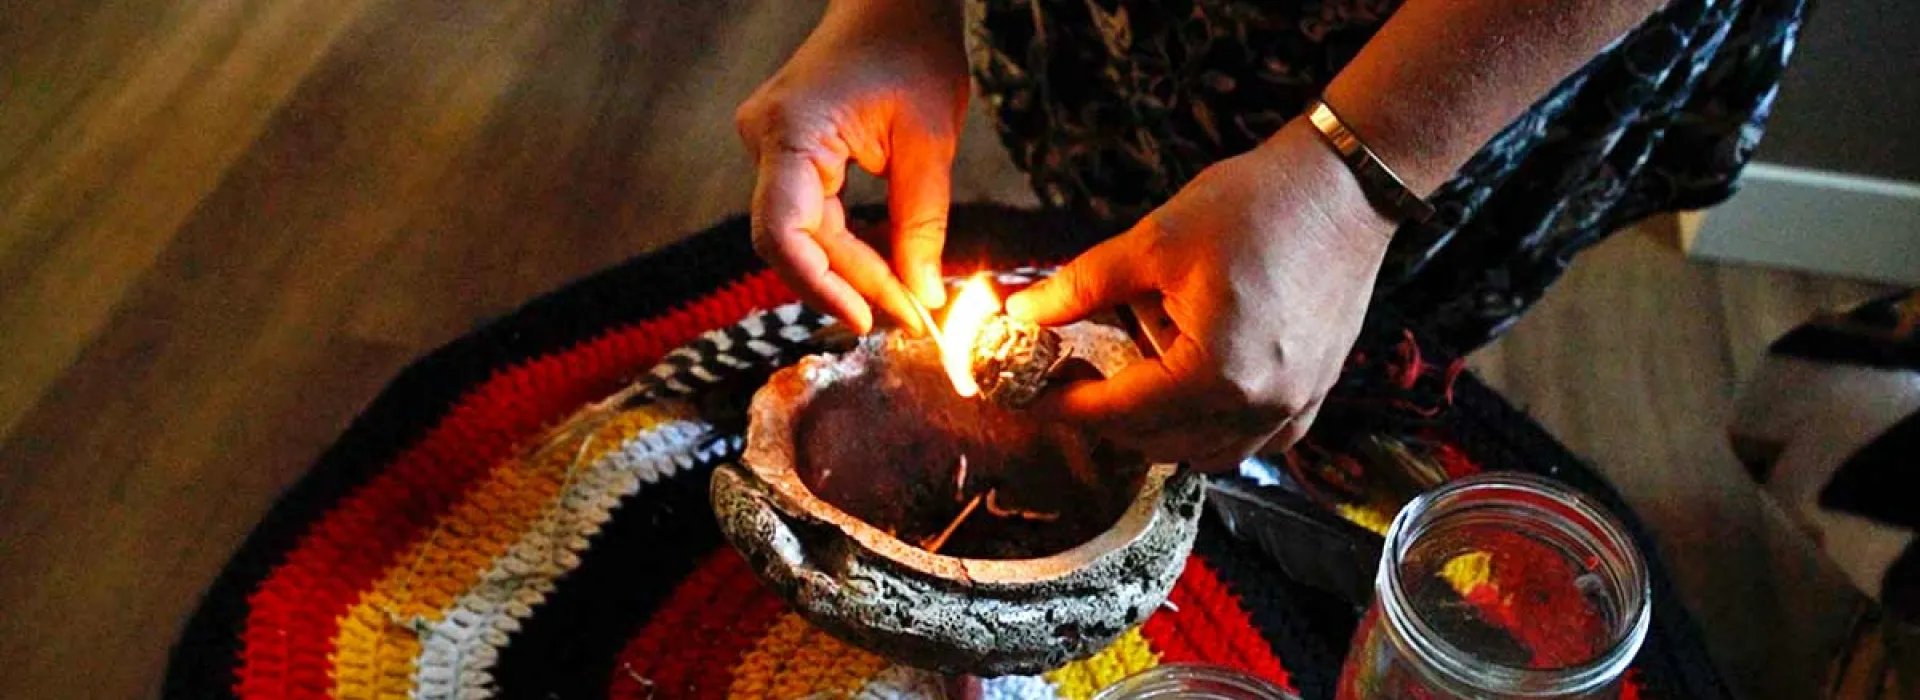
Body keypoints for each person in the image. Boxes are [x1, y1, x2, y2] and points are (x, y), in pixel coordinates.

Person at [735, 0, 1804, 471]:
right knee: (1124, 216)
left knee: (1363, 324)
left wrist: (1360, 177)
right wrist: (891, 8)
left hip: (1473, 51)